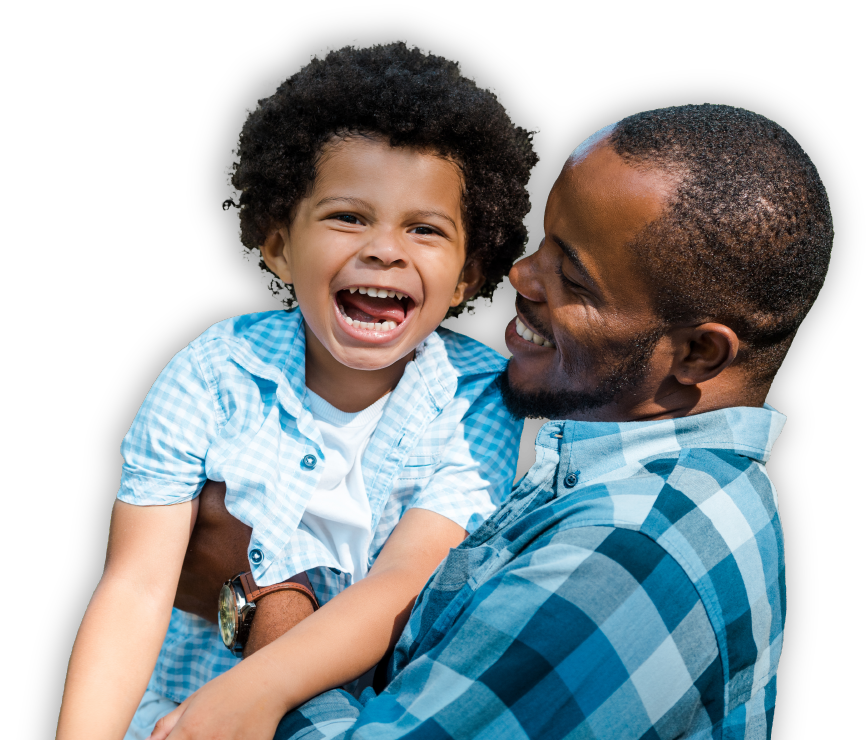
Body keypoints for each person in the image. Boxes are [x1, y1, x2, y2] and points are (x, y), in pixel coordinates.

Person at [151, 104, 832, 739]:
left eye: (574, 281)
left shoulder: (628, 554)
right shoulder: (641, 481)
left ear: (697, 352)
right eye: (543, 243)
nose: (521, 275)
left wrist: (260, 592)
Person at [57, 42, 540, 740]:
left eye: (425, 229)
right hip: (173, 714)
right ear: (280, 245)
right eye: (349, 216)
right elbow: (135, 587)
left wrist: (252, 692)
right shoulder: (213, 371)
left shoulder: (476, 399)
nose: (384, 249)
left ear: (468, 277)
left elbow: (401, 583)